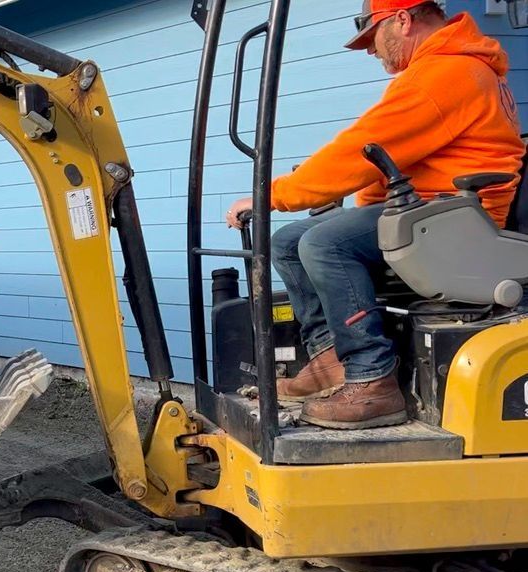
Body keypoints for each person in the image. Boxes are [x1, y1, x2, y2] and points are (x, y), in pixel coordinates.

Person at [224, 0, 524, 430]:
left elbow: (362, 147)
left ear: (402, 20)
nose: (371, 51)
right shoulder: (447, 69)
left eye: (373, 36)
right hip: (432, 211)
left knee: (324, 243)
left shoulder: (447, 72)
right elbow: (385, 153)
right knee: (288, 242)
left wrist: (273, 195)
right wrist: (351, 208)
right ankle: (330, 358)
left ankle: (372, 379)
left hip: (455, 219)